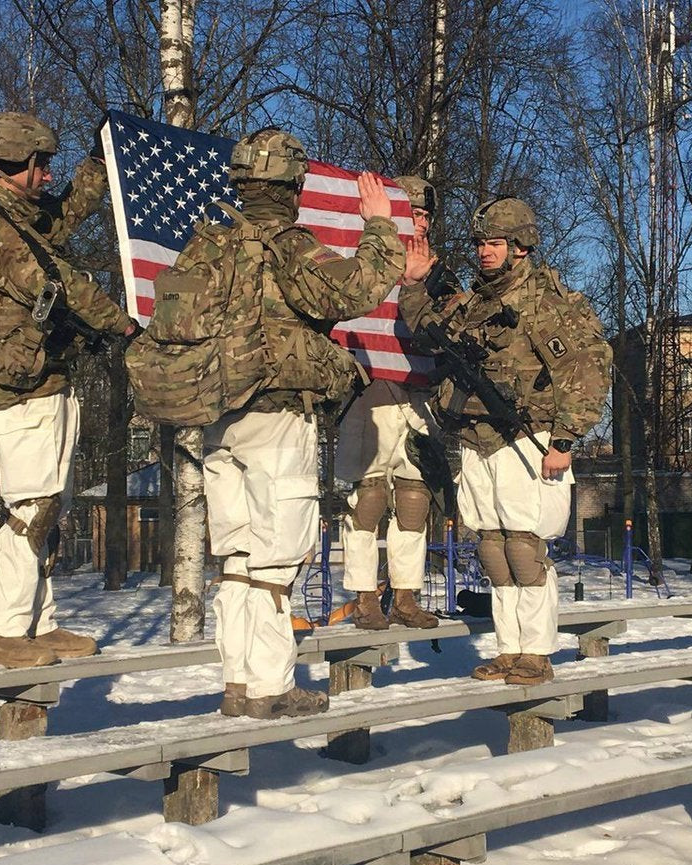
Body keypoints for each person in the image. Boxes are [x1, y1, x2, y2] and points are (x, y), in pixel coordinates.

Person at [198, 128, 405, 718]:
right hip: (276, 414)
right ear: (292, 188)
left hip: (217, 419)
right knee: (276, 557)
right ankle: (270, 688)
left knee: (235, 557)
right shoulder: (288, 246)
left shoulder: (208, 250)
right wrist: (379, 224)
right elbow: (357, 288)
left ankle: (237, 684)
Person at [399, 197, 611, 685]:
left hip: (527, 436)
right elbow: (430, 332)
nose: (484, 252)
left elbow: (586, 367)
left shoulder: (546, 302)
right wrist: (413, 284)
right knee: (492, 549)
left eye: (494, 243)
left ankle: (536, 652)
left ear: (520, 246)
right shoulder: (474, 303)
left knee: (523, 548)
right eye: (479, 244)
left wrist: (565, 438)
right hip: (477, 439)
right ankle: (508, 649)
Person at [0, 111, 135, 668]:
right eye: (43, 164)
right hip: (19, 386)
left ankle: (36, 623)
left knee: (49, 506)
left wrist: (98, 166)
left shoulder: (17, 216)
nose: (49, 174)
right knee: (30, 506)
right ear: (20, 164)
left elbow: (63, 217)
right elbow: (55, 280)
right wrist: (123, 323)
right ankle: (4, 632)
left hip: (45, 375)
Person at [336, 175, 460, 631]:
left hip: (422, 390)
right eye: (413, 212)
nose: (421, 222)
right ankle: (365, 596)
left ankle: (406, 595)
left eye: (426, 214)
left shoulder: (439, 269)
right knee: (368, 498)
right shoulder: (367, 255)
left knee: (414, 499)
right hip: (372, 389)